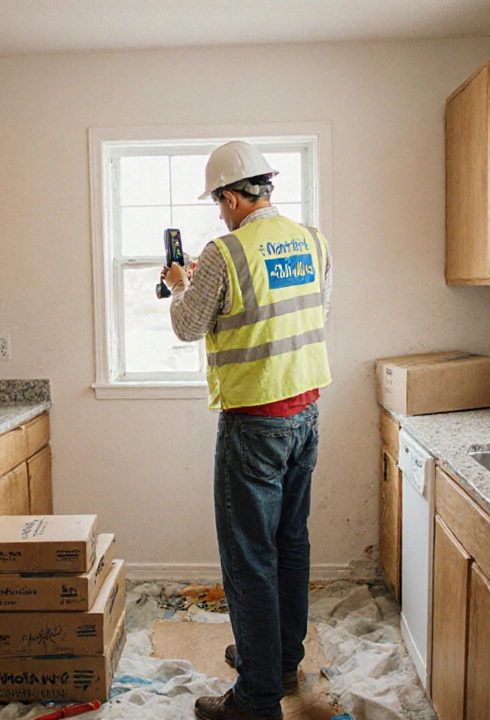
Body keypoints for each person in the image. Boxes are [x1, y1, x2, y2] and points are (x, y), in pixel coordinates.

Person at [162, 141, 332, 720]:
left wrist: (182, 282)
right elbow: (314, 312)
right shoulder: (313, 242)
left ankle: (257, 699)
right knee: (291, 543)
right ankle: (279, 661)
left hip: (255, 421)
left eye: (220, 203)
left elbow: (188, 326)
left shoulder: (223, 253)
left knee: (249, 558)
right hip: (306, 414)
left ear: (234, 197)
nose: (219, 214)